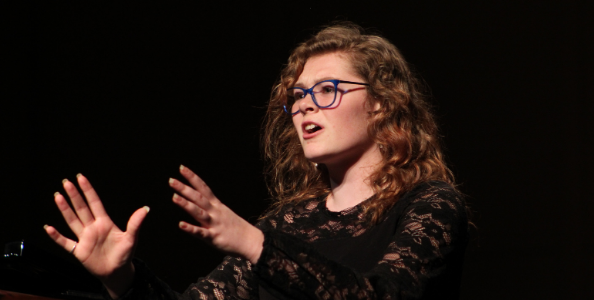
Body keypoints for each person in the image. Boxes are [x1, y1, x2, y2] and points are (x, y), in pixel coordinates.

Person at [44, 22, 469, 300]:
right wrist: (123, 278)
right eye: (299, 95)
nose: (304, 106)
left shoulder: (430, 203)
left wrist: (254, 244)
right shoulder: (286, 225)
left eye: (326, 89)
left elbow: (383, 296)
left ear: (380, 103)